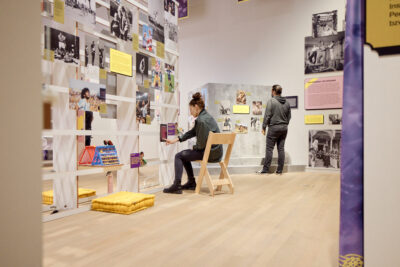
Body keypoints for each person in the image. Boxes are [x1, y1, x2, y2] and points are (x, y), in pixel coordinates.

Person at [163, 93, 223, 194]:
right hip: (216, 152)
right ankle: (191, 182)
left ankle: (177, 185)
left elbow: (201, 145)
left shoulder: (201, 120)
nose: (190, 113)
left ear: (196, 107)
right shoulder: (206, 116)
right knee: (185, 155)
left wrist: (194, 148)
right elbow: (192, 132)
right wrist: (176, 139)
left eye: (190, 110)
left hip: (209, 153)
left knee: (179, 156)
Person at [258, 85, 291, 174]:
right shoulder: (287, 102)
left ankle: (265, 170)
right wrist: (284, 124)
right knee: (281, 149)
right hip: (284, 128)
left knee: (269, 149)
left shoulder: (271, 101)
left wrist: (264, 127)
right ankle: (279, 170)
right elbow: (289, 117)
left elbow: (267, 115)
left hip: (273, 128)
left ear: (273, 91)